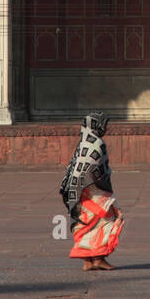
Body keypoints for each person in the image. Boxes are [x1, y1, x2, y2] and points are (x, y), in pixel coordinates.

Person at [59, 112, 124, 271]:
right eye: (103, 124)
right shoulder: (97, 144)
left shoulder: (83, 143)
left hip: (79, 192)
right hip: (94, 192)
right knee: (108, 219)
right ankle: (99, 258)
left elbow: (74, 170)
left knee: (85, 224)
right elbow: (96, 171)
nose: (105, 128)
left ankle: (88, 260)